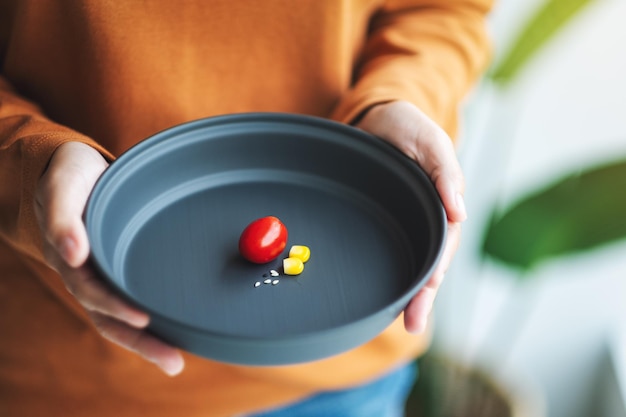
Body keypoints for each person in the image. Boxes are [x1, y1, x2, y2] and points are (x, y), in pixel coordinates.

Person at [0, 1, 493, 416]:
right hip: (67, 375)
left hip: (342, 380)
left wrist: (400, 96)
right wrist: (32, 158)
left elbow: (443, 9)